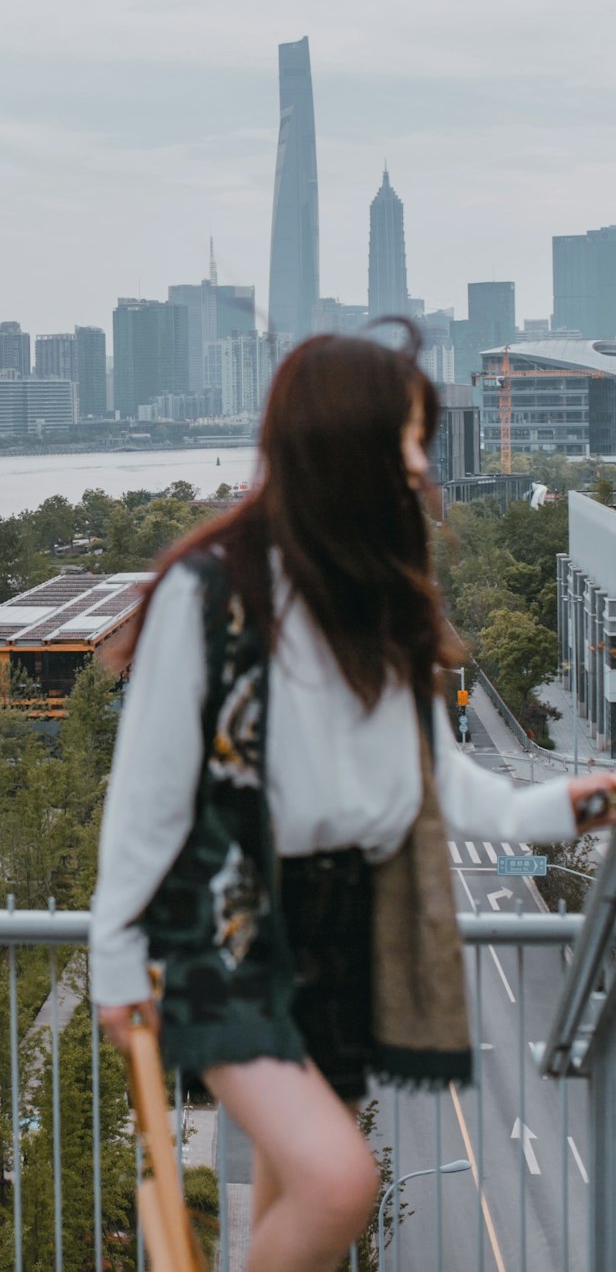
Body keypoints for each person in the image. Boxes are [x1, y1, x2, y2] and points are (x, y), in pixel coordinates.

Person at [90, 325, 616, 1272]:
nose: (420, 460)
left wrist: (583, 804)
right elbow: (148, 796)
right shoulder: (206, 595)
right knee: (340, 1184)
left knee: (307, 1208)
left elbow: (445, 784)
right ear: (345, 445)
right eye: (407, 437)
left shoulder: (376, 599)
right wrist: (117, 962)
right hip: (228, 927)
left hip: (347, 931)